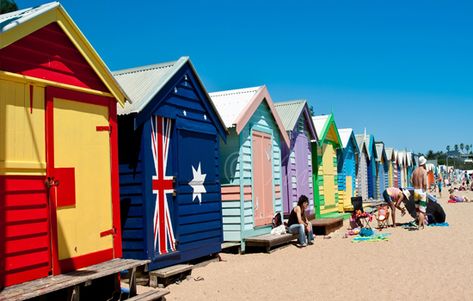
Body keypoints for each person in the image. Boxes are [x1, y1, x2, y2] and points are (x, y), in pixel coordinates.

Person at [411, 156, 428, 229]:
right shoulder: (424, 171)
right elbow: (424, 183)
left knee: (418, 210)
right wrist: (425, 189)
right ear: (424, 163)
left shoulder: (414, 171)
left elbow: (411, 181)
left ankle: (422, 224)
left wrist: (414, 185)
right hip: (421, 191)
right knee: (422, 210)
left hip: (416, 191)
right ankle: (419, 226)